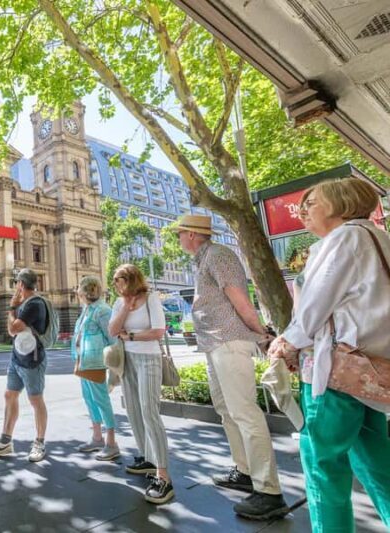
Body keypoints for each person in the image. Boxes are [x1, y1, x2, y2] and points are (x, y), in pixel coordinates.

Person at [268, 178, 390, 532]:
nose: (302, 211)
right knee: (376, 464)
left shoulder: (344, 239)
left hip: (334, 372)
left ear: (341, 203)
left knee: (324, 470)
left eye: (312, 203)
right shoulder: (378, 237)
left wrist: (285, 343)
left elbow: (313, 309)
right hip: (368, 372)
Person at [174, 214, 288, 520]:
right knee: (226, 410)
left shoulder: (219, 255)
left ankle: (269, 492)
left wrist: (262, 334)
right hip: (215, 344)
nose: (178, 239)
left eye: (179, 234)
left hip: (230, 341)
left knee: (244, 412)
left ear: (192, 234)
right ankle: (245, 471)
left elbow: (240, 299)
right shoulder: (204, 259)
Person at [108, 264, 174, 504]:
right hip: (127, 359)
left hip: (149, 358)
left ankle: (163, 476)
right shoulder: (119, 303)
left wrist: (131, 336)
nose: (116, 284)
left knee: (149, 412)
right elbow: (113, 330)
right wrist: (126, 308)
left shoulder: (151, 299)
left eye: (119, 280)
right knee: (134, 410)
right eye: (115, 280)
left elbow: (158, 331)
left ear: (131, 279)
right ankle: (147, 457)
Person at [0, 268, 49, 462]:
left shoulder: (34, 304)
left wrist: (11, 308)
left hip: (32, 360)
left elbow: (12, 329)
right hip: (17, 358)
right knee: (10, 395)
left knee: (36, 400)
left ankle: (39, 443)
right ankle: (5, 442)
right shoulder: (25, 303)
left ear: (20, 284)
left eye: (16, 283)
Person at [72, 276, 119, 461]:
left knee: (101, 400)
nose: (77, 291)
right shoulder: (87, 309)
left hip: (96, 363)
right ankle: (97, 438)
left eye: (79, 288)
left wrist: (113, 369)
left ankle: (112, 444)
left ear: (85, 291)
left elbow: (113, 340)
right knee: (90, 399)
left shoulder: (102, 310)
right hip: (83, 362)